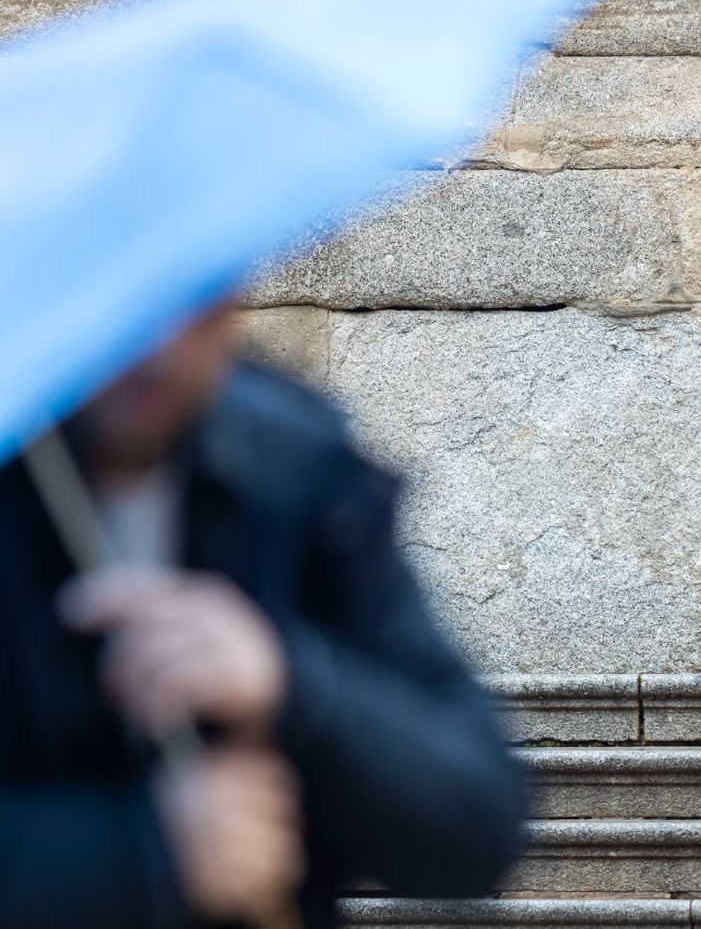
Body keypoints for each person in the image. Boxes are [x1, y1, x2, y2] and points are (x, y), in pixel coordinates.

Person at [0, 304, 526, 926]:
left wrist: (294, 682)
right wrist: (139, 857)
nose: (158, 348)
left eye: (192, 301)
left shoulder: (301, 474)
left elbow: (477, 829)